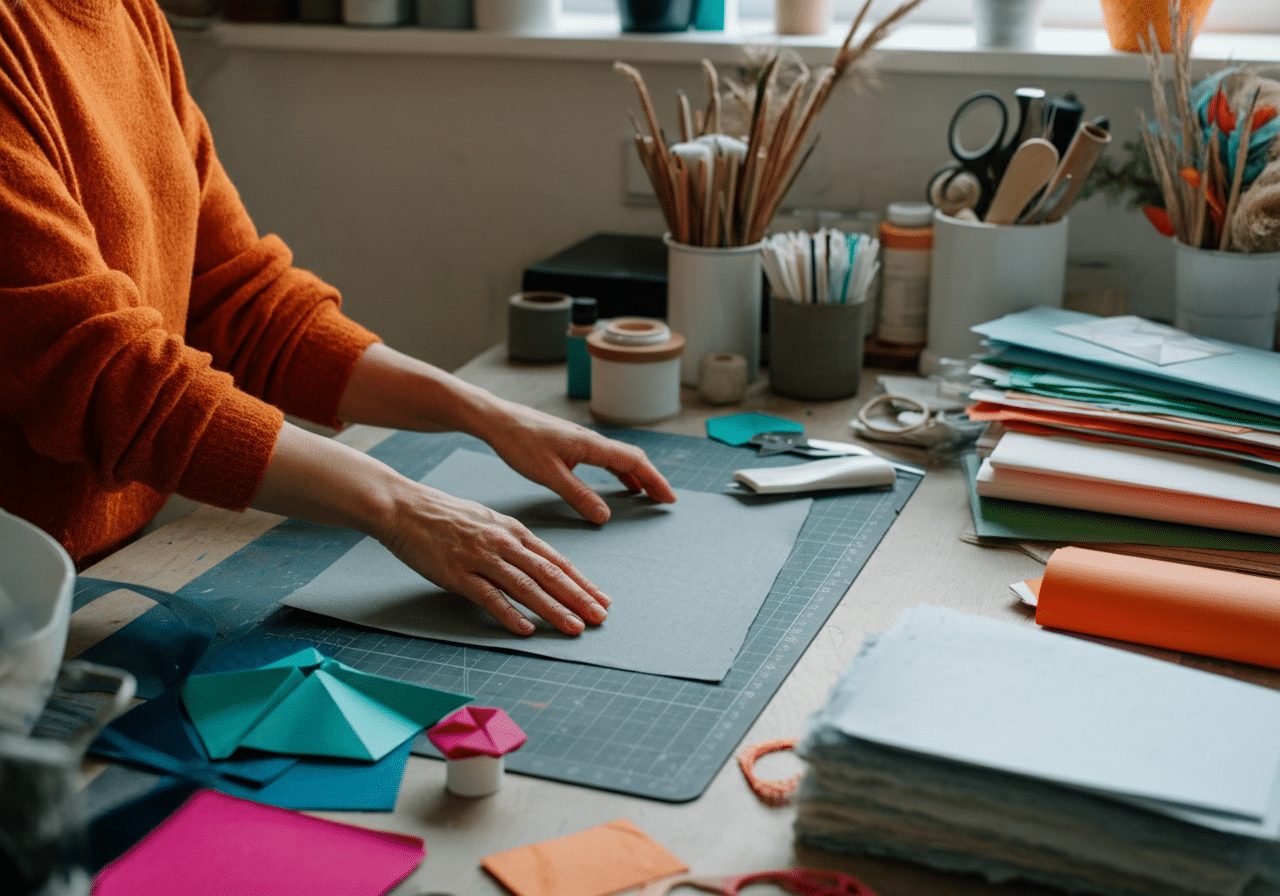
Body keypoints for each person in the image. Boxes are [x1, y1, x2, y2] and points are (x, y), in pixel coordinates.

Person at [0, 0, 676, 636]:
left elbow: (239, 299)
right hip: (18, 596)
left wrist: (486, 413)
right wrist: (399, 505)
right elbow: (108, 377)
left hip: (104, 575)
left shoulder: (129, 14)